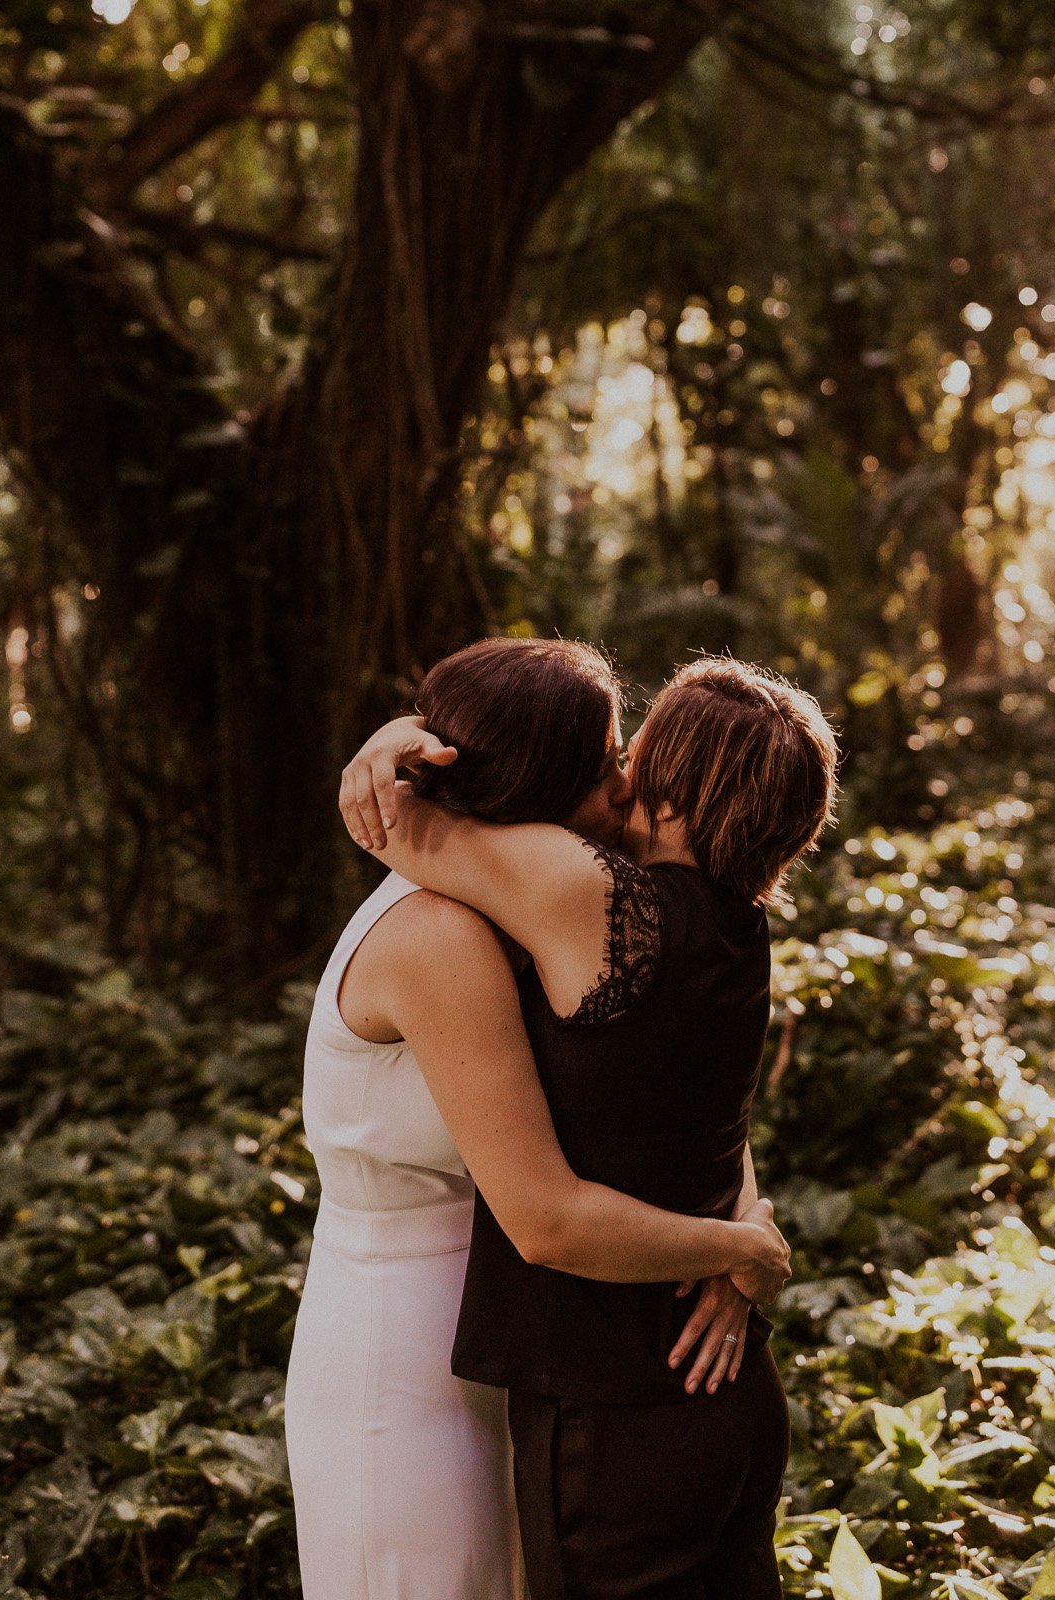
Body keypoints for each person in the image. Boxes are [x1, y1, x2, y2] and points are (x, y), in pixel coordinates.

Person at [286, 638, 792, 1600]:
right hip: (414, 1348)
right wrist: (725, 1249)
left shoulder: (563, 919)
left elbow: (676, 1095)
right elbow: (549, 1214)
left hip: (547, 1329)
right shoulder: (444, 934)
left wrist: (729, 1233)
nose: (628, 782)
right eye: (609, 764)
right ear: (544, 792)